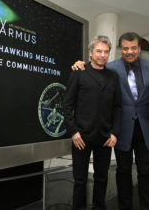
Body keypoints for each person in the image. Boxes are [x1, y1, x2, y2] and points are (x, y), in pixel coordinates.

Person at [71, 32, 149, 210]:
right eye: (125, 48)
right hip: (121, 130)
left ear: (139, 48)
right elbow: (95, 65)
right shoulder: (112, 67)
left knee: (146, 172)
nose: (129, 51)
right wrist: (80, 64)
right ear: (120, 50)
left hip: (146, 129)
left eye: (133, 48)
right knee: (123, 172)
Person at [64, 35, 122, 210]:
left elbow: (118, 107)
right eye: (99, 51)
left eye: (106, 51)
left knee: (102, 178)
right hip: (81, 137)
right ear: (90, 52)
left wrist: (115, 133)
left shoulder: (114, 77)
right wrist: (73, 131)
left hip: (105, 137)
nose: (102, 55)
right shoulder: (79, 72)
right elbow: (67, 104)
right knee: (80, 180)